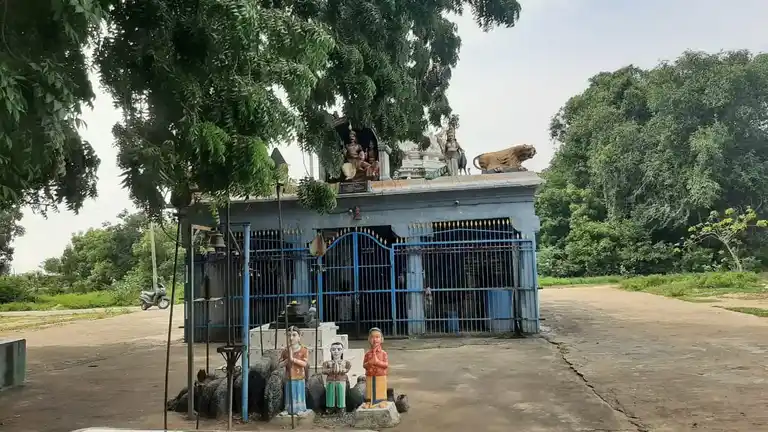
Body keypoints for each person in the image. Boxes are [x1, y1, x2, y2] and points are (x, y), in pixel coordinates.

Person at [279, 326, 309, 415]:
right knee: (289, 393)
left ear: (299, 337)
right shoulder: (285, 351)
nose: (291, 338)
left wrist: (293, 359)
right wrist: (287, 360)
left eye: (294, 335)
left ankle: (300, 408)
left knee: (298, 392)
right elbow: (279, 364)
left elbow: (304, 364)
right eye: (289, 335)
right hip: (289, 376)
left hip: (299, 376)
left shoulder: (304, 350)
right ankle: (288, 409)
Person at [362, 327, 389, 408]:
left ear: (382, 339)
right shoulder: (367, 354)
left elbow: (386, 365)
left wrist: (377, 362)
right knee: (370, 389)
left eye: (377, 337)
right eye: (372, 337)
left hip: (380, 375)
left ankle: (383, 401)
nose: (375, 339)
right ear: (369, 339)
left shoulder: (383, 353)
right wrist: (369, 363)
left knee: (380, 389)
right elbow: (364, 365)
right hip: (370, 375)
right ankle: (369, 402)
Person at [322, 342, 352, 413]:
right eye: (333, 349)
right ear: (330, 351)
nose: (336, 351)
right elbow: (323, 370)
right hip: (330, 380)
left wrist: (343, 370)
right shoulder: (327, 363)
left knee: (341, 393)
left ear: (342, 351)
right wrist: (330, 370)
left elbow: (348, 368)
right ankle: (330, 408)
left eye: (339, 349)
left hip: (341, 380)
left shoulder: (345, 362)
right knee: (330, 393)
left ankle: (341, 408)